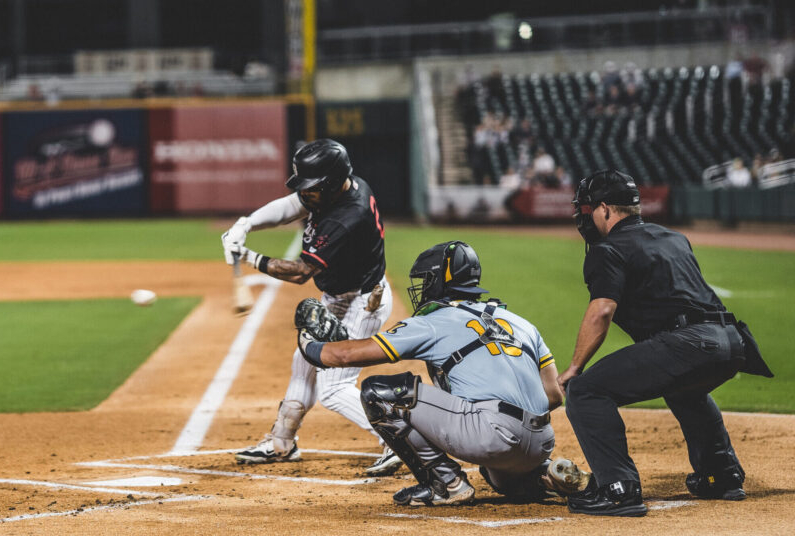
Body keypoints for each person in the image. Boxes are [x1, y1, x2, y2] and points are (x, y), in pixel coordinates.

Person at [292, 241, 591, 506]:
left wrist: (309, 344)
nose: (422, 288)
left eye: (425, 280)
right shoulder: (520, 322)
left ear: (438, 280)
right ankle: (546, 475)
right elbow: (553, 395)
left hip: (491, 437)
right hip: (541, 443)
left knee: (379, 393)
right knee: (500, 477)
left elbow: (344, 355)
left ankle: (446, 484)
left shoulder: (433, 322)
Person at [560, 169, 773, 517]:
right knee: (685, 389)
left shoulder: (606, 249)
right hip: (732, 342)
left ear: (605, 209)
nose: (585, 218)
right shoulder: (674, 237)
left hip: (688, 342)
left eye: (587, 210)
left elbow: (601, 311)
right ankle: (721, 475)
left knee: (586, 391)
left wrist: (574, 368)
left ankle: (619, 489)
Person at [222, 139, 399, 476]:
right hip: (338, 295)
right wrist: (247, 224)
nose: (306, 193)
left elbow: (302, 272)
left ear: (331, 184)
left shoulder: (347, 217)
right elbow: (293, 204)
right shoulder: (339, 188)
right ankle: (281, 443)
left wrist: (248, 256)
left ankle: (398, 440)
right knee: (303, 361)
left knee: (334, 388)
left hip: (363, 301)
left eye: (311, 187)